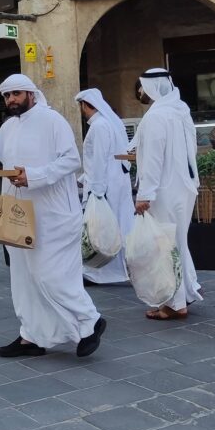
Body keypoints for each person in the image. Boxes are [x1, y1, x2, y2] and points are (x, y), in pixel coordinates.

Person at [0, 73, 106, 359]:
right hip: (18, 216)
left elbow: (71, 160)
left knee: (49, 276)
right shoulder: (9, 126)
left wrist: (33, 176)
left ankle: (90, 320)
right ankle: (32, 336)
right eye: (6, 95)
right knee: (23, 279)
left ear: (30, 93)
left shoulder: (52, 120)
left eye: (16, 93)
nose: (11, 100)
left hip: (54, 216)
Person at [134, 68, 202, 320]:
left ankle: (174, 303)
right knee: (178, 243)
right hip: (184, 187)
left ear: (152, 87)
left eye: (141, 86)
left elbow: (153, 159)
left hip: (163, 190)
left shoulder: (156, 117)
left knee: (164, 246)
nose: (140, 91)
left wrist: (145, 194)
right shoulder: (180, 110)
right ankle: (183, 294)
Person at [75, 89, 134, 285]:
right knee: (115, 225)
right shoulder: (108, 123)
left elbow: (100, 160)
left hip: (105, 186)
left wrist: (97, 191)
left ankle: (103, 272)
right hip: (114, 182)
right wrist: (84, 179)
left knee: (104, 229)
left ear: (85, 105)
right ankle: (113, 270)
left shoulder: (99, 126)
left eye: (81, 106)